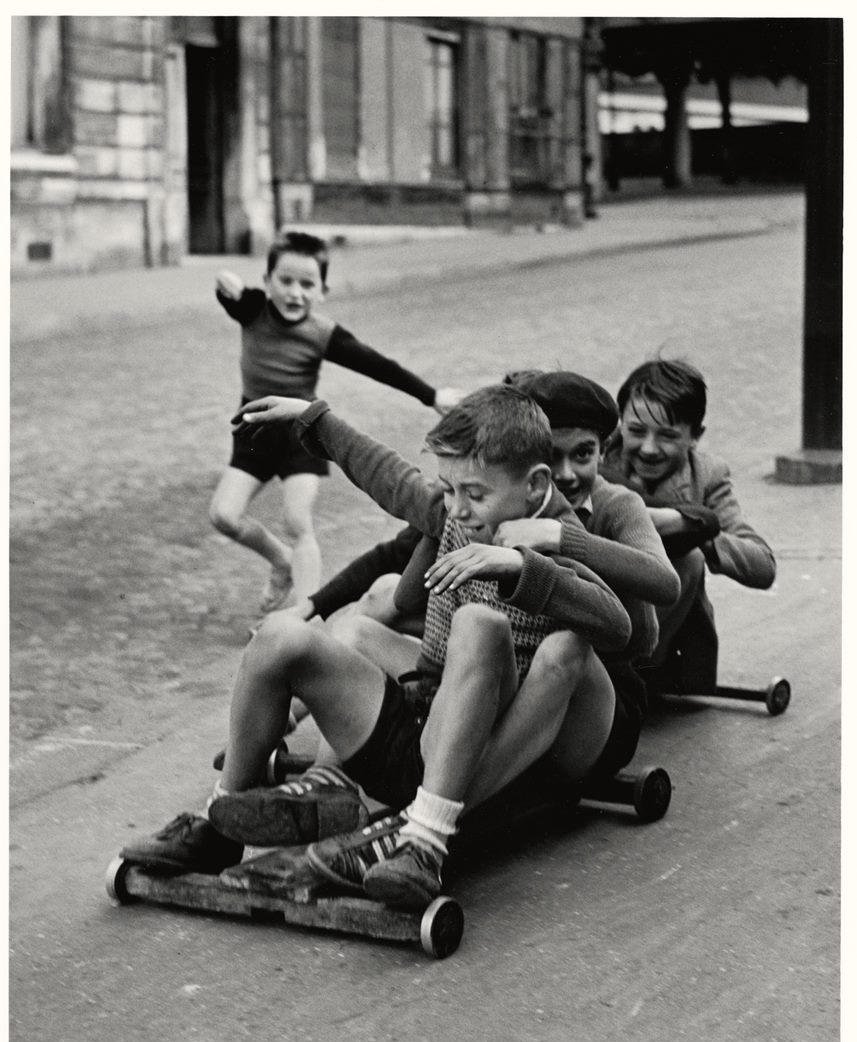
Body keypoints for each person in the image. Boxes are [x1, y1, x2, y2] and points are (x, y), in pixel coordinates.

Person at [121, 386, 632, 908]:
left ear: (535, 485)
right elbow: (387, 476)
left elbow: (617, 625)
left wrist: (524, 567)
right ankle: (219, 824)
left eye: (475, 495)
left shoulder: (556, 536)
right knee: (280, 637)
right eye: (449, 490)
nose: (458, 510)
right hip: (421, 724)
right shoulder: (455, 512)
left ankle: (423, 845)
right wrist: (316, 421)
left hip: (490, 749)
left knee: (480, 623)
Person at [210, 229, 458, 614]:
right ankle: (281, 561)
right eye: (286, 281)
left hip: (300, 433)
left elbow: (377, 365)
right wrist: (225, 289)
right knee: (223, 515)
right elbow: (233, 298)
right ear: (267, 283)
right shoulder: (253, 309)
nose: (295, 293)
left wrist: (431, 395)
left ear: (322, 290)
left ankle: (302, 618)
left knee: (297, 521)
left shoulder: (322, 334)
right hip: (253, 432)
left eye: (307, 284)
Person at [602, 356, 776, 692]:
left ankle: (632, 673)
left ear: (696, 436)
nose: (649, 449)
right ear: (619, 423)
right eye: (636, 431)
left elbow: (763, 565)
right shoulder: (594, 455)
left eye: (667, 435)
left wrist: (692, 531)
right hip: (602, 603)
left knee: (688, 559)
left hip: (661, 635)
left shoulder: (708, 475)